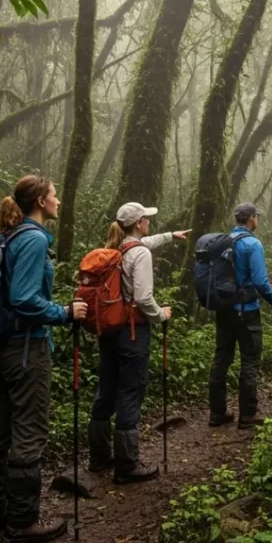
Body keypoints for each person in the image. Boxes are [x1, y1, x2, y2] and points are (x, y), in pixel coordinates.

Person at [0, 175, 88, 543]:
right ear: (40, 201)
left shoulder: (11, 236)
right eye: (54, 196)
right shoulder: (35, 238)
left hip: (2, 345)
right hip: (26, 348)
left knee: (0, 426)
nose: (58, 201)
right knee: (28, 431)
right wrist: (65, 312)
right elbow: (24, 298)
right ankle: (21, 523)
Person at [88, 202, 190, 483]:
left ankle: (98, 458)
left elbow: (148, 241)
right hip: (133, 332)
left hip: (109, 329)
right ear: (138, 224)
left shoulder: (116, 249)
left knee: (106, 389)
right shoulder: (140, 254)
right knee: (130, 392)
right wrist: (161, 315)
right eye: (146, 218)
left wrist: (171, 235)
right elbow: (144, 297)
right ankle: (127, 465)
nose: (149, 222)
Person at [208, 202, 272, 430]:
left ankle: (217, 413)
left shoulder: (222, 242)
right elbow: (260, 280)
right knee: (249, 360)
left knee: (221, 359)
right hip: (247, 310)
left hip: (224, 309)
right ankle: (247, 415)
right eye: (256, 217)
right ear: (250, 219)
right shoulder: (252, 244)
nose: (257, 220)